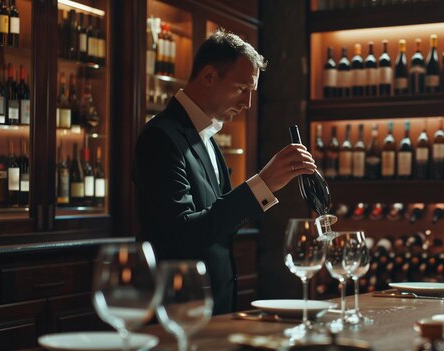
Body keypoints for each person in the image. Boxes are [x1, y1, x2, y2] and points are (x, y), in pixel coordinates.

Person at [133, 29, 316, 315]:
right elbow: (183, 235)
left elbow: (217, 225)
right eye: (242, 89)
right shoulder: (160, 137)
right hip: (176, 311)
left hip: (214, 309)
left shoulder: (207, 137)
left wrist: (263, 187)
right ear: (208, 77)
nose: (247, 104)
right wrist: (262, 183)